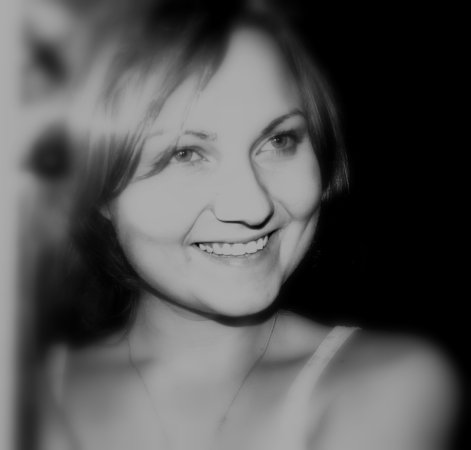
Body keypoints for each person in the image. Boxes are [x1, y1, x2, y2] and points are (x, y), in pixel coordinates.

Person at [29, 1, 457, 449]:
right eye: (184, 154)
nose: (252, 206)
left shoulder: (388, 384)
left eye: (279, 140)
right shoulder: (28, 397)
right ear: (96, 189)